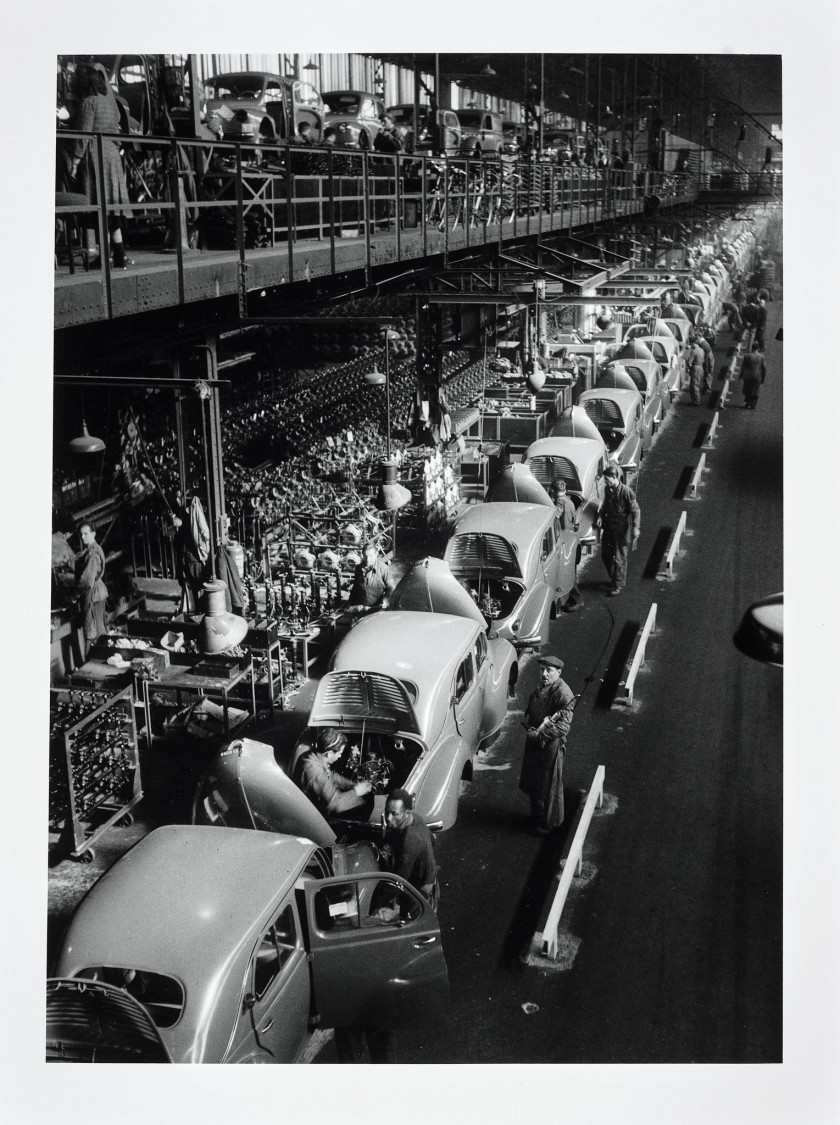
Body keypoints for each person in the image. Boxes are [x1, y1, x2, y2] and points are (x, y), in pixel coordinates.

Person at [67, 64, 132, 269]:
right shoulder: (107, 103)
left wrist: (75, 162)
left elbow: (83, 134)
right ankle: (119, 255)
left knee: (97, 206)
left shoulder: (89, 102)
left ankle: (103, 258)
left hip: (96, 155)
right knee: (111, 207)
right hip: (112, 154)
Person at [519, 655, 576, 834]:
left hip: (549, 746)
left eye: (549, 670)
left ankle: (546, 823)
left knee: (546, 784)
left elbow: (563, 727)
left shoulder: (563, 693)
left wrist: (540, 735)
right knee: (533, 781)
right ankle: (536, 817)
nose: (544, 674)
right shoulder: (543, 685)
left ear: (558, 672)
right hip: (535, 740)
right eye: (542, 669)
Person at [297, 728, 373, 819]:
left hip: (316, 803)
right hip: (311, 815)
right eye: (339, 753)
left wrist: (353, 785)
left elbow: (332, 776)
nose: (340, 756)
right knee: (364, 801)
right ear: (329, 754)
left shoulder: (314, 756)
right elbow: (335, 804)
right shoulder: (315, 772)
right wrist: (357, 791)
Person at [383, 788, 439, 907]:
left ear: (407, 813)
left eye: (394, 814)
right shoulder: (416, 818)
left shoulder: (410, 844)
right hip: (424, 874)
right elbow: (432, 839)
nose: (388, 818)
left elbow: (397, 882)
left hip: (420, 889)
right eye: (387, 812)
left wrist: (377, 902)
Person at [597, 464, 641, 596]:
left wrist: (636, 527)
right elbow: (605, 505)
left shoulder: (626, 492)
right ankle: (614, 577)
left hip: (621, 529)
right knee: (605, 555)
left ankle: (618, 584)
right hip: (609, 527)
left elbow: (636, 510)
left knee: (619, 557)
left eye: (607, 479)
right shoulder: (608, 489)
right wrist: (600, 515)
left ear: (614, 477)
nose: (605, 481)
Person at [550, 482, 584, 613]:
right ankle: (571, 598)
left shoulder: (559, 503)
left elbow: (554, 517)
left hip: (563, 540)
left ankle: (577, 600)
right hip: (571, 538)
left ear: (553, 491)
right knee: (570, 572)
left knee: (566, 573)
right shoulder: (569, 501)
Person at [75, 522, 108, 651]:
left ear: (94, 533)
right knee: (98, 628)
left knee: (91, 631)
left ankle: (89, 663)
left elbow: (87, 581)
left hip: (92, 594)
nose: (83, 537)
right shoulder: (90, 550)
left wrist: (75, 595)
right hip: (97, 592)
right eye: (81, 534)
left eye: (86, 534)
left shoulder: (93, 553)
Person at [348, 541, 396, 613]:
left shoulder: (384, 569)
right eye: (365, 556)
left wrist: (385, 602)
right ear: (362, 555)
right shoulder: (358, 568)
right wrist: (350, 604)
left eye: (370, 556)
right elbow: (355, 588)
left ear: (376, 554)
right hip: (360, 608)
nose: (367, 559)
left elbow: (391, 588)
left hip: (376, 609)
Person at [739, 342, 767, 409]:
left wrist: (740, 375)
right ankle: (753, 404)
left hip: (747, 375)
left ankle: (748, 402)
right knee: (756, 390)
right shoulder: (762, 356)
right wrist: (763, 377)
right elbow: (764, 368)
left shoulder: (747, 356)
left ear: (752, 348)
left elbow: (743, 367)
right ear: (758, 348)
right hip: (757, 376)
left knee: (747, 389)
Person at [686, 333, 706, 404]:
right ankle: (698, 399)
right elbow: (703, 360)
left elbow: (689, 362)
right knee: (699, 383)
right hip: (701, 367)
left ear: (693, 343)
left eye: (691, 344)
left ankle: (696, 401)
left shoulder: (694, 351)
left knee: (694, 385)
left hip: (695, 368)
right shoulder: (701, 350)